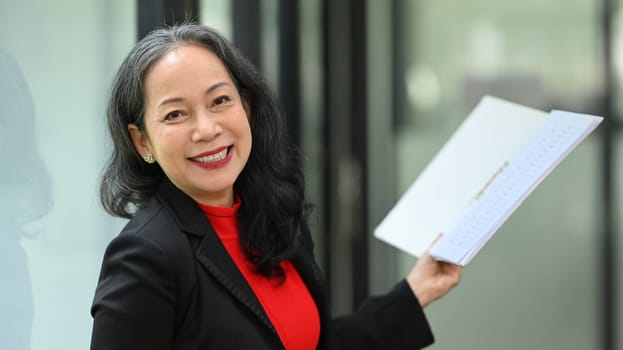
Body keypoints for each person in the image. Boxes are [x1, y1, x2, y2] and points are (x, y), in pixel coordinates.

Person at [90, 23, 461, 350]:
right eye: (175, 114)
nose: (206, 129)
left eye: (220, 101)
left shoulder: (274, 215)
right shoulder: (145, 256)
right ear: (142, 142)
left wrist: (414, 294)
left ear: (246, 106)